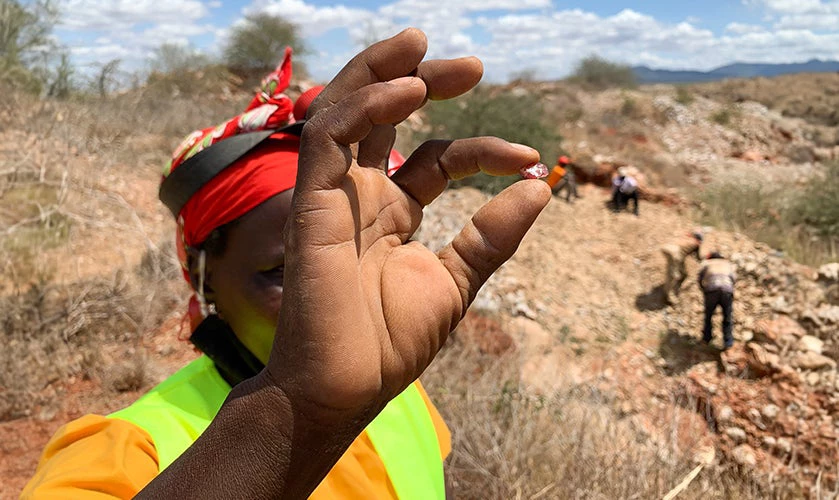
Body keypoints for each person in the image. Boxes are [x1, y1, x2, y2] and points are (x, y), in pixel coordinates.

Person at [22, 28, 551, 499]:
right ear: (204, 279)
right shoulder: (126, 451)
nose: (323, 297)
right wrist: (300, 411)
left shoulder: (398, 396)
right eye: (281, 272)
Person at [699, 252, 736, 349]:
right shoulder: (727, 264)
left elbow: (699, 278)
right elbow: (733, 279)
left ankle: (707, 339)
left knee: (708, 316)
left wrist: (704, 289)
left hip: (712, 290)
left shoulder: (706, 263)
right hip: (727, 290)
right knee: (727, 317)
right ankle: (728, 342)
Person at [660, 230, 703, 305]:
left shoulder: (686, 237)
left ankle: (680, 280)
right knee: (673, 275)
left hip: (667, 248)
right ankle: (668, 297)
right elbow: (698, 258)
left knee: (682, 271)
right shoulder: (696, 243)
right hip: (675, 253)